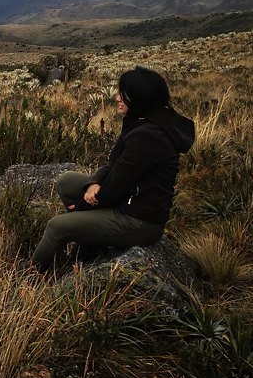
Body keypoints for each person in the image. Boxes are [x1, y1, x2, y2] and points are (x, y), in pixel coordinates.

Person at [31, 66, 195, 273]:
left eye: (123, 94)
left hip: (138, 220)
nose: (117, 98)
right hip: (127, 201)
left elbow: (118, 184)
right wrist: (93, 183)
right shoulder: (144, 122)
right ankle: (91, 245)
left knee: (58, 226)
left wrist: (81, 207)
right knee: (67, 180)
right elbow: (114, 165)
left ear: (140, 98)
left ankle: (32, 276)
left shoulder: (148, 136)